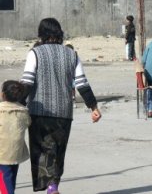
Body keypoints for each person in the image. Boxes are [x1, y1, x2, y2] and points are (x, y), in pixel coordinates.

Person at [20, 18, 101, 194]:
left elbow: (26, 83)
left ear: (41, 34)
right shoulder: (72, 54)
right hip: (64, 112)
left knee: (41, 149)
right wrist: (94, 107)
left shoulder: (35, 53)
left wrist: (14, 104)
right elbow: (82, 84)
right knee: (58, 150)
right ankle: (53, 185)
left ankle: (48, 185)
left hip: (39, 111)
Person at [0, 80, 31, 194]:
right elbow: (28, 123)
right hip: (16, 151)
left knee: (4, 179)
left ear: (3, 94)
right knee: (11, 177)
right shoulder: (24, 111)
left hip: (2, 152)